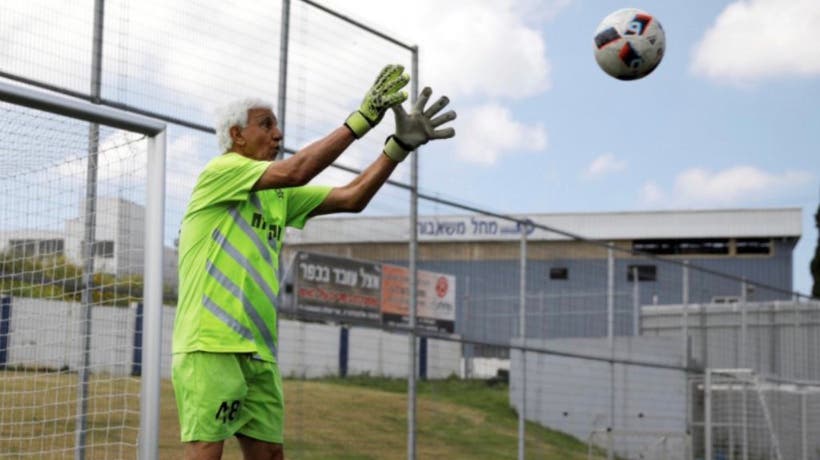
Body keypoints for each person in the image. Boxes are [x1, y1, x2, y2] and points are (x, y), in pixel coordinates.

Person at [171, 64, 457, 460]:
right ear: (236, 135)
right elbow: (297, 170)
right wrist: (362, 120)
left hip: (258, 351)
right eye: (265, 125)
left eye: (277, 125)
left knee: (271, 455)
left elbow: (352, 196)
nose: (278, 134)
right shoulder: (220, 172)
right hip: (211, 343)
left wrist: (397, 148)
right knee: (206, 451)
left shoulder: (278, 196)